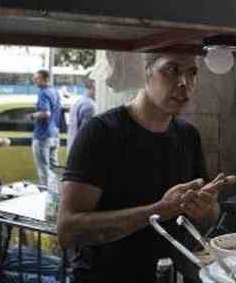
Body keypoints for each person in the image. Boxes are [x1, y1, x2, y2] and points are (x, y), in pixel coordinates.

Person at [58, 53, 223, 283]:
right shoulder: (102, 132)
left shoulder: (187, 136)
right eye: (171, 70)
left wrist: (205, 208)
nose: (184, 82)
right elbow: (68, 230)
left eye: (191, 72)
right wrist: (158, 210)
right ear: (145, 71)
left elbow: (208, 218)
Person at [30, 69, 62, 187]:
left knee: (43, 170)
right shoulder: (54, 91)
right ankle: (56, 194)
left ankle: (45, 195)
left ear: (46, 79)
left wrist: (33, 115)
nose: (34, 81)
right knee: (54, 168)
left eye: (37, 78)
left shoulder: (43, 93)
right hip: (54, 134)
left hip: (42, 135)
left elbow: (46, 113)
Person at [67, 78, 96, 151]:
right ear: (94, 84)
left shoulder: (79, 101)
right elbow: (87, 135)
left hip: (73, 148)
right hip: (82, 152)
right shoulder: (90, 106)